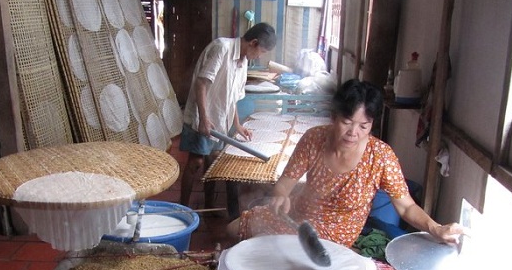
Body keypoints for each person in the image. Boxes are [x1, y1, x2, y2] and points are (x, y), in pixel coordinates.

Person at [227, 79, 463, 247]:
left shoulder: (380, 156)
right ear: (333, 116)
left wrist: (435, 228)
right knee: (235, 228)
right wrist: (279, 197)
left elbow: (406, 207)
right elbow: (284, 184)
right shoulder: (314, 138)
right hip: (297, 216)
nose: (353, 132)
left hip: (334, 235)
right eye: (347, 122)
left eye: (363, 126)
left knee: (281, 253)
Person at [179, 22, 277, 218]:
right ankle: (182, 208)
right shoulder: (221, 48)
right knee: (195, 162)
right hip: (203, 115)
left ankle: (208, 205)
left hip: (220, 120)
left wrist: (238, 125)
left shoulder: (243, 61)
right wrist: (204, 119)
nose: (259, 57)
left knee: (212, 163)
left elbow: (232, 98)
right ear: (253, 42)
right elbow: (201, 84)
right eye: (261, 52)